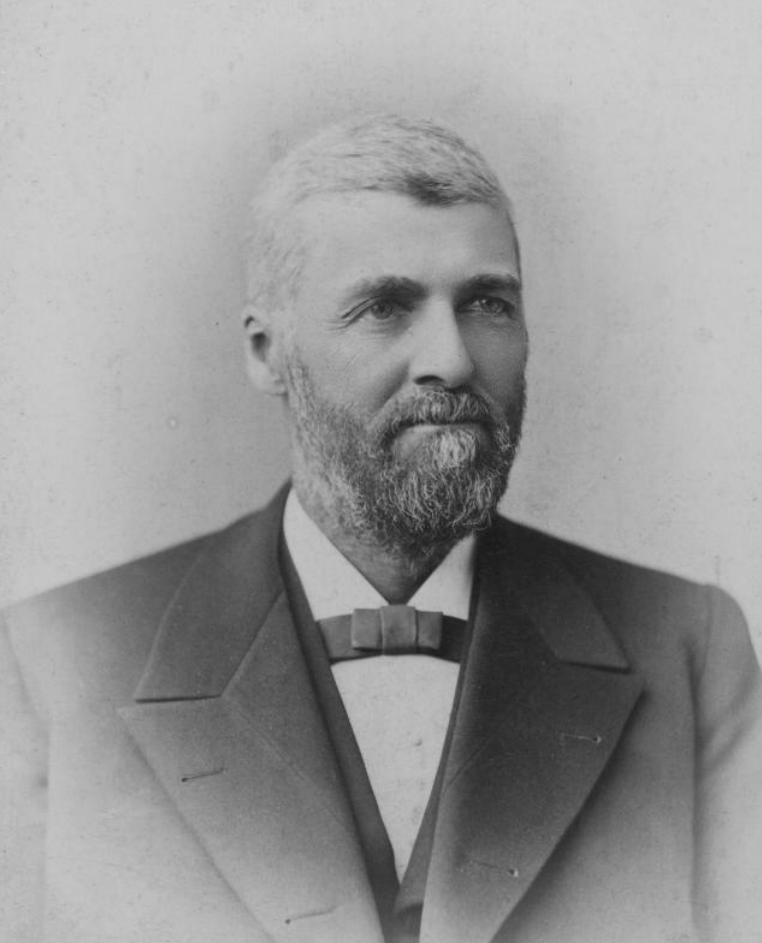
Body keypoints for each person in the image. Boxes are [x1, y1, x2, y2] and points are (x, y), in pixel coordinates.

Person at [2, 114, 761, 943]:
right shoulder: (60, 658)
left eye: (487, 303)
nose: (454, 359)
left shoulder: (686, 647)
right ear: (266, 352)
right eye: (384, 307)